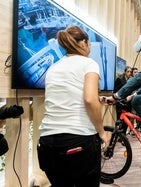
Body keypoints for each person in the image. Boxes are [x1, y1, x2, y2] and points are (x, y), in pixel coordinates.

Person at [37, 26, 111, 187]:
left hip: (47, 143)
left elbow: (68, 95)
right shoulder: (89, 64)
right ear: (84, 42)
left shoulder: (53, 68)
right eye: (89, 43)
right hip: (78, 141)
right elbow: (89, 100)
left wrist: (99, 99)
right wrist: (102, 132)